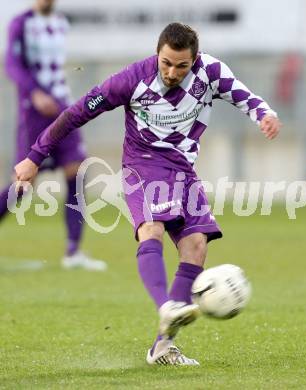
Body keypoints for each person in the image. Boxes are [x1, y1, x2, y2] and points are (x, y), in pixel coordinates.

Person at [14, 23, 281, 365]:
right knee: (151, 230)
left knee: (196, 246)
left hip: (184, 169)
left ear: (194, 60)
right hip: (144, 165)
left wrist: (266, 114)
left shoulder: (211, 72)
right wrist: (35, 156)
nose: (172, 72)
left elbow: (245, 96)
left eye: (181, 65)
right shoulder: (132, 79)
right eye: (166, 62)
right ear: (158, 53)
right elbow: (76, 113)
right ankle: (166, 306)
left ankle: (164, 346)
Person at [0, 0, 106, 271]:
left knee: (77, 170)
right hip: (33, 112)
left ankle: (73, 251)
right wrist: (34, 92)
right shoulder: (21, 23)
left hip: (61, 108)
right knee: (23, 184)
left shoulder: (60, 22)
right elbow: (12, 64)